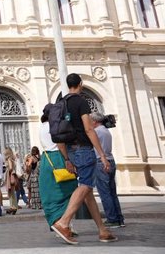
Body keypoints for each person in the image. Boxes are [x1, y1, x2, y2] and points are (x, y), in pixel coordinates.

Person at [50, 73, 117, 245]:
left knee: (87, 191)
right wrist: (102, 154)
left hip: (71, 151)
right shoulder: (81, 101)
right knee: (86, 185)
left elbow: (59, 135)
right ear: (80, 84)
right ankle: (64, 222)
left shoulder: (61, 103)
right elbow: (89, 129)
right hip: (84, 149)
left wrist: (66, 158)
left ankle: (102, 230)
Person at [38, 112, 77, 231]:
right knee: (69, 190)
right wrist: (67, 159)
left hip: (46, 159)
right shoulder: (55, 125)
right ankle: (63, 224)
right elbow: (60, 144)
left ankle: (57, 222)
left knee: (51, 194)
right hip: (58, 158)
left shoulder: (41, 127)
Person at [90, 112, 125, 228]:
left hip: (101, 162)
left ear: (94, 121)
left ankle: (112, 219)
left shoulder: (97, 132)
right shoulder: (106, 130)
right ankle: (119, 218)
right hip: (110, 161)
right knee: (112, 192)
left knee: (105, 193)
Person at [3, 146, 19, 214]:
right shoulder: (12, 158)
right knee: (12, 192)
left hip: (10, 176)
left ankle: (13, 207)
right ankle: (13, 206)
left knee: (10, 192)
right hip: (12, 176)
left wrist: (8, 172)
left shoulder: (9, 159)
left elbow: (10, 168)